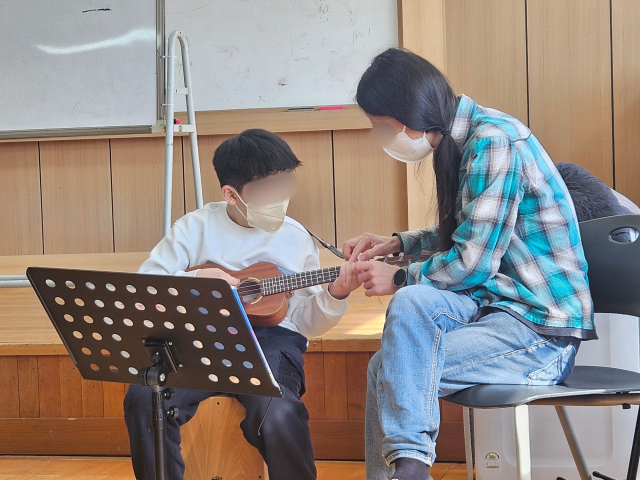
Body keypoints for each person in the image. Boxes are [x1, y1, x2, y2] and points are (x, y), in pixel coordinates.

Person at [343, 49, 594, 480]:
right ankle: (410, 468)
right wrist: (397, 244)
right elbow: (467, 236)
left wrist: (400, 275)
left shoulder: (494, 141)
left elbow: (473, 263)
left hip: (539, 332)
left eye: (382, 127)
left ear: (406, 116)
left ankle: (409, 470)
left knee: (389, 362)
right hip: (494, 309)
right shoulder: (465, 138)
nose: (383, 138)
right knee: (412, 306)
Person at [124, 128, 360, 480]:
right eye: (267, 188)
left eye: (285, 183)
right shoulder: (194, 228)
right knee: (145, 398)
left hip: (272, 345)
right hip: (196, 342)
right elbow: (147, 287)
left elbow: (305, 323)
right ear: (231, 194)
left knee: (277, 414)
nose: (279, 197)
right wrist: (197, 283)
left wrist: (336, 294)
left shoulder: (297, 238)